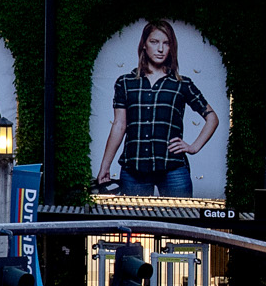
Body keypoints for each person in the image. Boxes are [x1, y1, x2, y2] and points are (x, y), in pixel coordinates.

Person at [94, 19, 221, 197]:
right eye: (154, 42)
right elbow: (119, 125)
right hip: (134, 170)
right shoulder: (125, 83)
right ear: (144, 45)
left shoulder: (181, 84)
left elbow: (212, 118)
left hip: (173, 169)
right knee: (135, 224)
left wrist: (193, 147)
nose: (160, 49)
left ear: (171, 48)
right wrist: (105, 167)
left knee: (179, 222)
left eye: (166, 43)